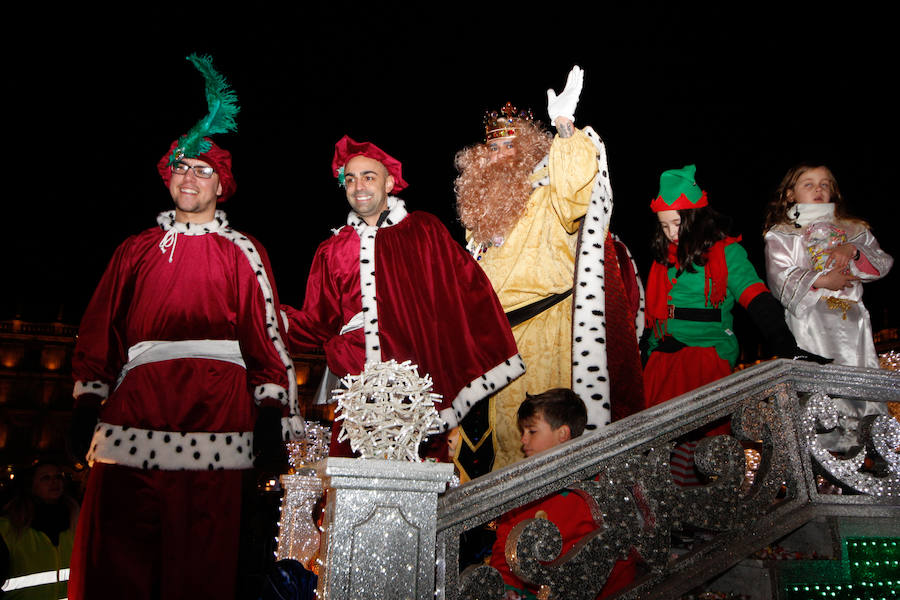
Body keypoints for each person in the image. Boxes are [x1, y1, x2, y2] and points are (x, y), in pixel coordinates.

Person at [67, 55, 300, 600]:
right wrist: (85, 400)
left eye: (202, 169)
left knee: (201, 561)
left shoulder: (244, 251)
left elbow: (266, 337)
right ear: (168, 179)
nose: (189, 176)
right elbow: (100, 326)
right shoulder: (135, 249)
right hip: (135, 409)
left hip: (216, 412)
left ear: (222, 185)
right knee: (114, 554)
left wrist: (269, 411)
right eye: (181, 168)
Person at [282, 136, 524, 464]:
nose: (358, 186)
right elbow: (315, 323)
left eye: (369, 176)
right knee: (351, 490)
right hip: (358, 391)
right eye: (350, 179)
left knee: (423, 490)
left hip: (418, 390)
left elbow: (468, 292)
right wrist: (268, 316)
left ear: (390, 183)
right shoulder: (332, 249)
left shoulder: (424, 230)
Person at [455, 65, 645, 475]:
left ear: (526, 151)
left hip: (544, 333)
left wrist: (564, 126)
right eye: (491, 150)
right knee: (498, 443)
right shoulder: (479, 217)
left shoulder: (549, 195)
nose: (498, 157)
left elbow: (579, 192)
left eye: (508, 147)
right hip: (493, 343)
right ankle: (501, 529)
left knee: (540, 443)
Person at [764, 163, 892, 450]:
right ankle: (822, 452)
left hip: (852, 322)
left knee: (859, 386)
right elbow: (779, 275)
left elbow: (882, 262)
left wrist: (853, 250)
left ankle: (863, 445)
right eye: (808, 184)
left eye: (824, 183)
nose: (818, 189)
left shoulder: (854, 229)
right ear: (790, 195)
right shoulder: (782, 234)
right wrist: (822, 280)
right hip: (812, 323)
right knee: (820, 392)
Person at [489, 389, 636, 599]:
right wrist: (507, 587)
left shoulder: (595, 489)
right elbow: (505, 543)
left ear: (562, 434)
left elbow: (617, 556)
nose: (523, 440)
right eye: (523, 432)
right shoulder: (523, 484)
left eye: (531, 431)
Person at [1, 460, 79, 599]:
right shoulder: (9, 528)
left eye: (58, 477)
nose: (54, 482)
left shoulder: (76, 521)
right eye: (46, 478)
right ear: (31, 485)